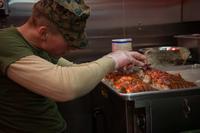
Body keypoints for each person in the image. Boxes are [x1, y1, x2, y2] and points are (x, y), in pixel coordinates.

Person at [0, 0, 146, 132]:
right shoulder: (5, 43)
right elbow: (65, 86)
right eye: (69, 43)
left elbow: (73, 70)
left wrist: (115, 66)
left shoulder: (37, 45)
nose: (72, 48)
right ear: (43, 33)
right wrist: (113, 60)